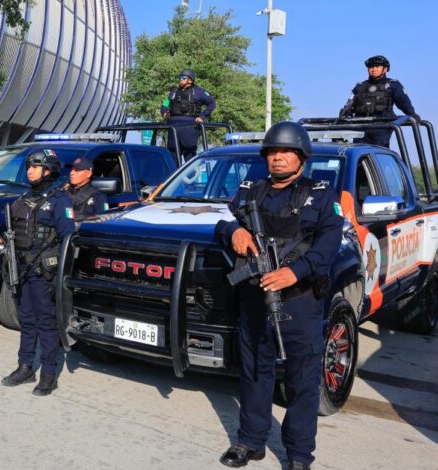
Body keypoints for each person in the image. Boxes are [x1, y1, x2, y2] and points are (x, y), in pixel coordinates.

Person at [214, 122, 343, 470]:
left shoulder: (322, 195)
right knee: (255, 371)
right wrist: (234, 231)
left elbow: (329, 246)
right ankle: (251, 441)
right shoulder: (250, 192)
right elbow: (221, 221)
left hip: (299, 301)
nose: (278, 158)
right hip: (256, 299)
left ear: (301, 157)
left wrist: (294, 272)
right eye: (272, 152)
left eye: (286, 152)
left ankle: (299, 455)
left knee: (302, 382)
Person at [1, 149, 75, 396]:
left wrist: (61, 277)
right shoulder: (21, 199)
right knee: (27, 320)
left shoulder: (59, 200)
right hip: (21, 270)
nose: (30, 170)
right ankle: (25, 367)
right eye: (29, 166)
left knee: (46, 323)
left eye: (35, 166)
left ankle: (49, 374)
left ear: (48, 170)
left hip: (44, 273)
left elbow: (68, 239)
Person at [339, 55, 419, 148]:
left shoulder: (392, 85)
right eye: (371, 67)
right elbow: (349, 104)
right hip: (360, 126)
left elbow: (404, 102)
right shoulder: (360, 86)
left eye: (377, 67)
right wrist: (344, 113)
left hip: (382, 125)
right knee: (359, 153)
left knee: (379, 152)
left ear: (385, 69)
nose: (374, 69)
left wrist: (412, 114)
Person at [160, 69, 216, 160]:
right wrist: (164, 112)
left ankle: (191, 173)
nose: (180, 79)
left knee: (189, 157)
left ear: (190, 80)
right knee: (172, 157)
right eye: (180, 77)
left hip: (189, 128)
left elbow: (212, 104)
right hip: (173, 127)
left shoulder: (199, 92)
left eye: (183, 78)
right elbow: (165, 104)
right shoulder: (173, 92)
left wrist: (202, 116)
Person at [64, 156, 108, 225]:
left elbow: (103, 222)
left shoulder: (97, 196)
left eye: (77, 170)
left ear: (88, 174)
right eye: (72, 169)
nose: (72, 173)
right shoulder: (63, 191)